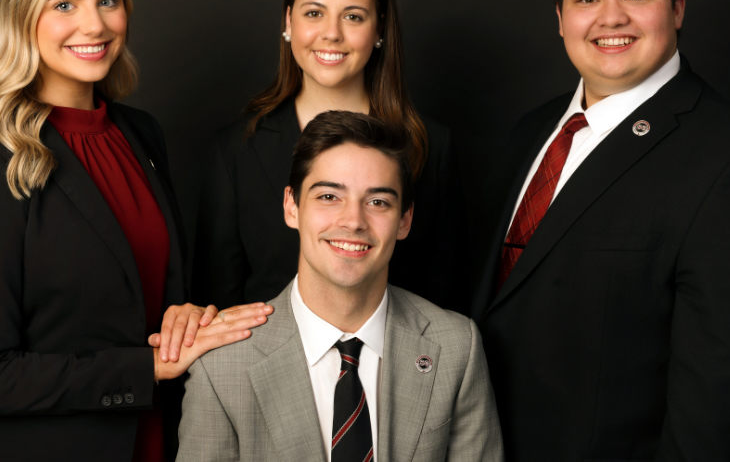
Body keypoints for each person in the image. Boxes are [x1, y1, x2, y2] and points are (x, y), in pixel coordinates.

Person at [471, 0, 730, 461]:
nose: (611, 17)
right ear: (560, 17)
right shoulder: (526, 137)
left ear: (677, 7)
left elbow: (719, 415)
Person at [0, 0, 271, 462]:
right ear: (22, 18)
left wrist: (185, 316)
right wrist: (145, 368)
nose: (94, 24)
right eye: (65, 4)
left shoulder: (140, 135)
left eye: (108, 0)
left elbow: (144, 291)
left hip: (157, 438)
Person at [178, 111, 501, 461]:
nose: (353, 221)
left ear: (405, 219)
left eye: (378, 202)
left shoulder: (456, 349)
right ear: (292, 206)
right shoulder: (222, 369)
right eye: (329, 197)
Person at [191, 0, 464, 312]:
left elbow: (443, 298)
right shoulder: (236, 150)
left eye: (353, 16)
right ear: (288, 21)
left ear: (379, 29)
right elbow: (215, 303)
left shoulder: (428, 145)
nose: (332, 33)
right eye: (314, 13)